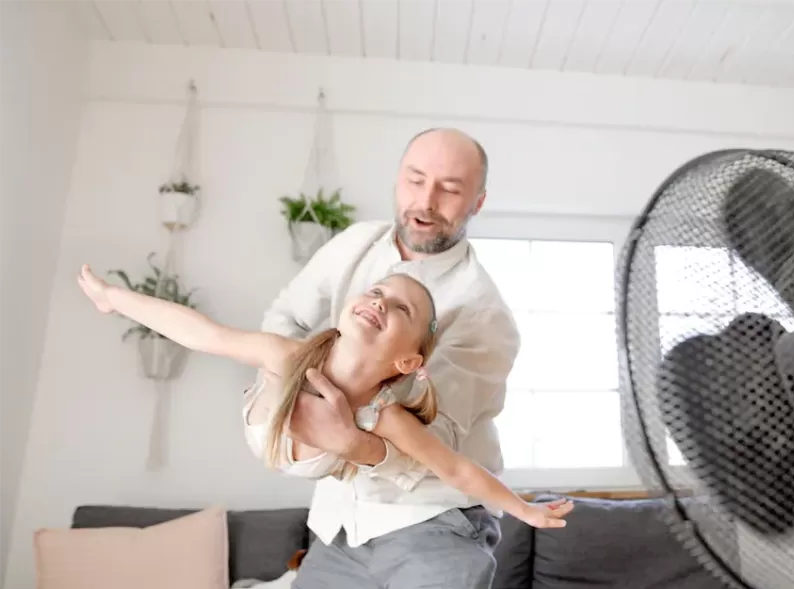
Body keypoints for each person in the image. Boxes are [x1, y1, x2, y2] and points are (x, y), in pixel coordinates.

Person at [74, 265, 573, 530]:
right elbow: (200, 333)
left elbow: (457, 470)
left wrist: (524, 509)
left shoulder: (384, 416)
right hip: (264, 419)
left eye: (400, 308)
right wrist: (113, 298)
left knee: (386, 452)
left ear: (409, 361)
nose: (379, 301)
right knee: (246, 350)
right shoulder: (288, 356)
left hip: (323, 451)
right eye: (376, 291)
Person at [260, 127, 542, 588]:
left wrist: (350, 439)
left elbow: (437, 444)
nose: (427, 201)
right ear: (397, 180)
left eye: (450, 189)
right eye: (415, 180)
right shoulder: (354, 245)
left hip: (434, 519)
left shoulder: (485, 317)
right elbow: (284, 317)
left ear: (477, 202)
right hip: (339, 522)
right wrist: (294, 397)